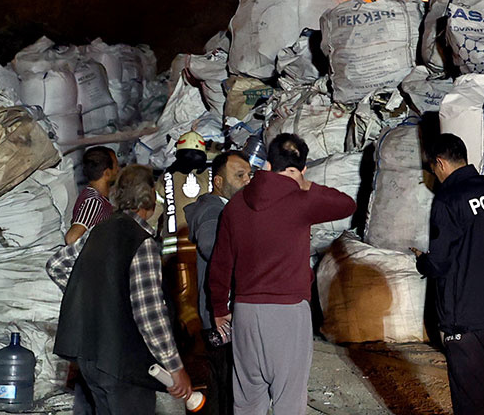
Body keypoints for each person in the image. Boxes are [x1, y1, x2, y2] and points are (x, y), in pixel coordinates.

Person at [208, 133, 355, 415]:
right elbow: (346, 205)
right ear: (301, 168)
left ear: (265, 164)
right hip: (288, 312)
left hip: (245, 312)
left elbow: (221, 262)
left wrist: (218, 307)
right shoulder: (300, 199)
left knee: (248, 402)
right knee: (288, 401)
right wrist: (306, 184)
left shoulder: (235, 205)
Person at [48, 165, 193, 414]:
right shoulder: (141, 242)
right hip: (124, 363)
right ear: (149, 199)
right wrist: (175, 367)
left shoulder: (99, 230)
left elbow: (57, 265)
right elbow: (149, 315)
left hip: (91, 358)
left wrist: (92, 298)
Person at [413, 133, 484, 415]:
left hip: (464, 318)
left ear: (440, 163)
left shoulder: (448, 199)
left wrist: (422, 261)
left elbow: (439, 263)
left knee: (470, 398)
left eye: (433, 169)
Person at [185, 150, 254, 415]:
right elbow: (211, 246)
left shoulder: (228, 210)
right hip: (220, 316)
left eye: (249, 174)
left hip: (219, 314)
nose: (247, 180)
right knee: (229, 387)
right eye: (239, 175)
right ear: (219, 182)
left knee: (223, 385)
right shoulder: (214, 211)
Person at [64, 146, 119, 245]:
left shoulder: (96, 198)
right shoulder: (94, 201)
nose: (118, 170)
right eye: (116, 166)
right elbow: (72, 238)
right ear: (107, 173)